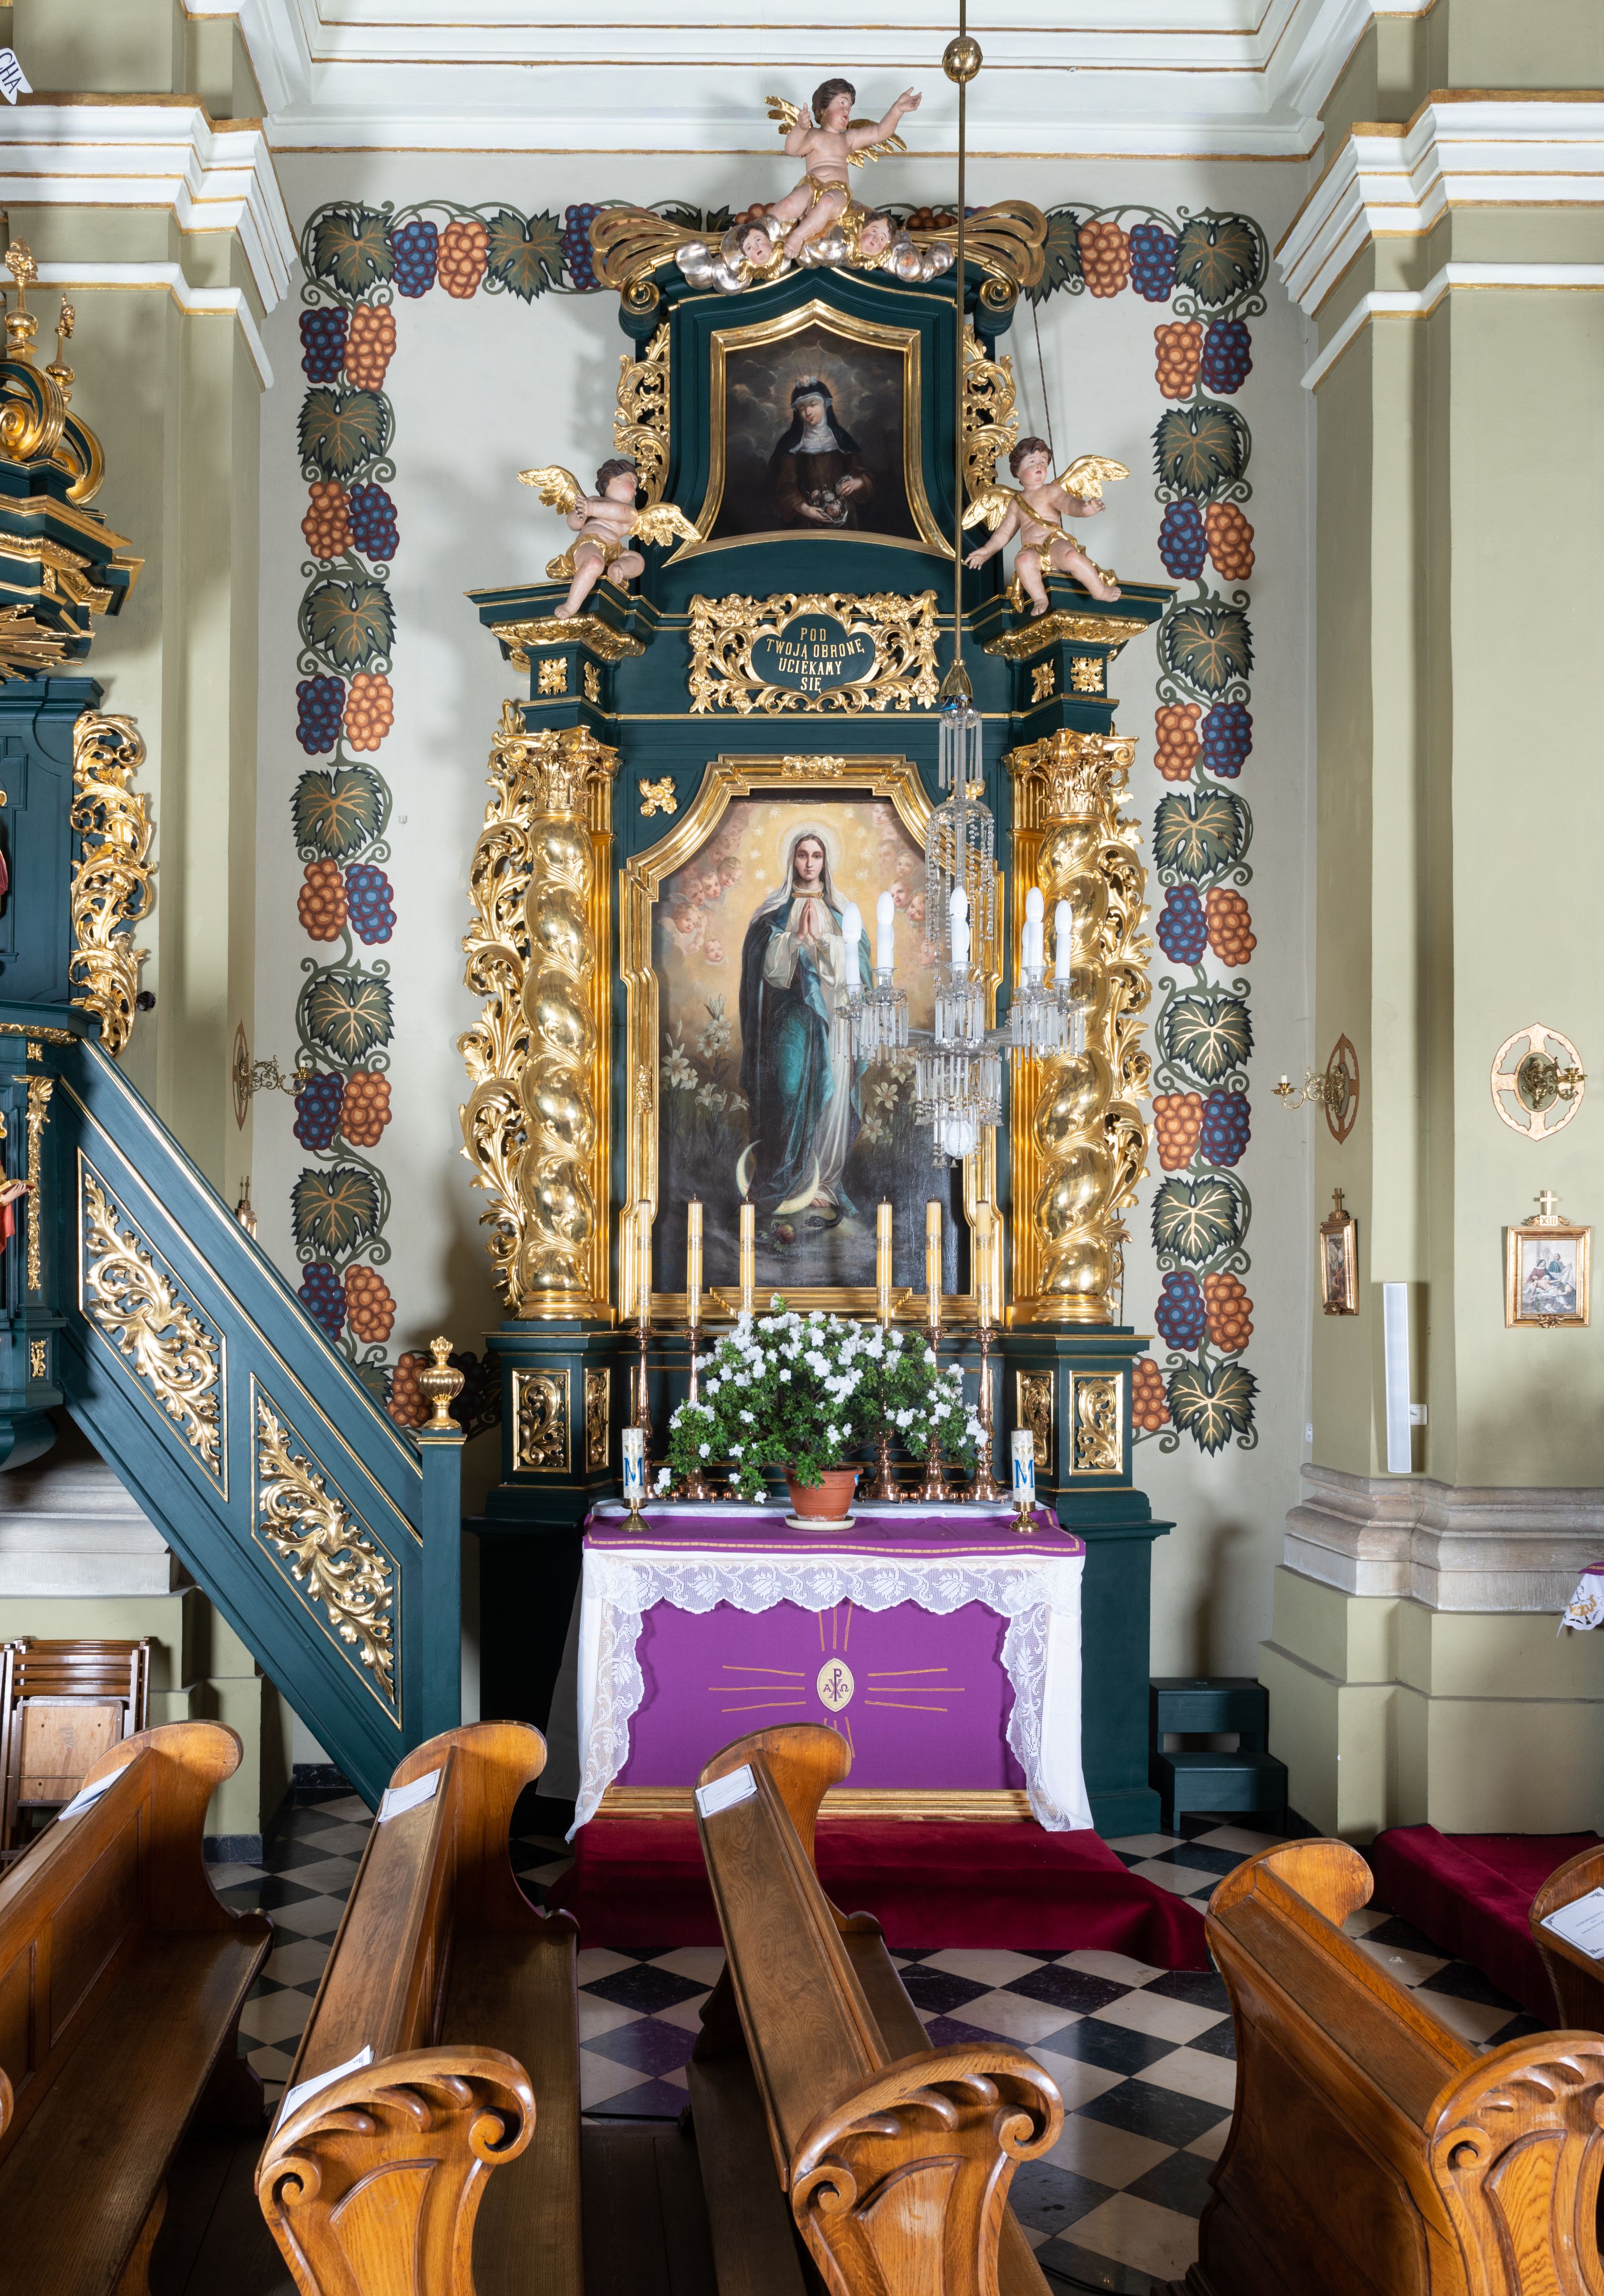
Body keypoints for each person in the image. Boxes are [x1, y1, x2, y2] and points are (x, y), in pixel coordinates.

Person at [737, 825, 871, 1237]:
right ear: (792, 860)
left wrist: (827, 943)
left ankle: (823, 1182)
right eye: (802, 855)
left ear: (825, 861)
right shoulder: (772, 914)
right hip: (790, 1016)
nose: (809, 863)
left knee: (832, 1096)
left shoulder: (842, 913)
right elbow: (763, 971)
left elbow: (857, 972)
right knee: (788, 1088)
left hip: (834, 1020)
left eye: (816, 855)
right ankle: (786, 1179)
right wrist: (793, 939)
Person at [769, 78, 921, 261]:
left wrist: (897, 109)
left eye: (849, 106)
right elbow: (792, 149)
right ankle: (764, 232)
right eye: (842, 103)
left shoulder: (848, 139)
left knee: (827, 202)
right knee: (788, 204)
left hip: (837, 191)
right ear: (823, 109)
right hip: (811, 185)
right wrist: (801, 129)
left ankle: (798, 237)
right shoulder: (813, 135)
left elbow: (880, 132)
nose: (847, 109)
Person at [963, 434, 1122, 609]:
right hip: (1032, 548)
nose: (1039, 466)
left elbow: (1070, 505)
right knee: (1022, 561)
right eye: (1032, 462)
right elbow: (1004, 533)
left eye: (1043, 461)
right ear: (1017, 471)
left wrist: (1086, 509)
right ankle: (1040, 598)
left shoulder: (1052, 490)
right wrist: (987, 551)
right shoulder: (1016, 502)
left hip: (1054, 541)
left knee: (1071, 556)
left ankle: (1099, 590)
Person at [770, 379, 873, 529]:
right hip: (805, 519)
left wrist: (858, 482)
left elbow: (864, 475)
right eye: (802, 409)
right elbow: (784, 486)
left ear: (825, 404)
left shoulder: (842, 439)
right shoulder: (790, 444)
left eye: (813, 405)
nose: (808, 412)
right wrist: (806, 509)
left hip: (843, 517)